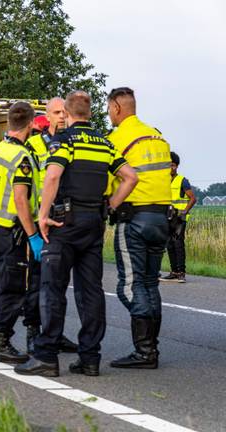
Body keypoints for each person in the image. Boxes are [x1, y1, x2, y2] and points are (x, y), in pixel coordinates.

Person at [14, 91, 137, 377]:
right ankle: (89, 357)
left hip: (64, 223)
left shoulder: (64, 140)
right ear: (90, 114)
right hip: (93, 222)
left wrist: (42, 215)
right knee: (91, 290)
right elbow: (131, 177)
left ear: (67, 115)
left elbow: (53, 175)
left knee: (52, 288)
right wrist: (110, 205)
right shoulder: (104, 144)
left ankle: (46, 356)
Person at [105, 87, 172, 370]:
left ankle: (145, 352)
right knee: (150, 283)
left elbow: (109, 181)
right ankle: (150, 349)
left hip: (133, 218)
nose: (108, 114)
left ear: (117, 108)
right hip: (161, 219)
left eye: (109, 109)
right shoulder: (158, 137)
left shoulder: (116, 139)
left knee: (130, 286)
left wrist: (108, 206)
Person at [0, 102, 40, 364]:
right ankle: (1, 340)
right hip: (10, 231)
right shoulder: (22, 158)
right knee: (12, 287)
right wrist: (32, 234)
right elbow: (21, 199)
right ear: (32, 124)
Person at [22, 98, 77, 355]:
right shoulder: (33, 145)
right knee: (38, 281)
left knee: (59, 283)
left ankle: (55, 332)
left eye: (64, 112)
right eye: (56, 113)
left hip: (66, 220)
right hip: (41, 220)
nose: (62, 117)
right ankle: (33, 332)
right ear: (47, 116)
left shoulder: (72, 141)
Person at [160, 151, 196, 283]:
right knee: (169, 244)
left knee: (178, 244)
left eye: (174, 165)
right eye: (169, 165)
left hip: (179, 218)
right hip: (167, 217)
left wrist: (185, 212)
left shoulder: (182, 181)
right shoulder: (163, 181)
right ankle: (174, 272)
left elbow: (193, 198)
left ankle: (181, 273)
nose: (172, 168)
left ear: (177, 166)